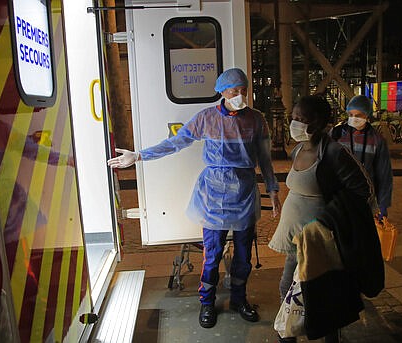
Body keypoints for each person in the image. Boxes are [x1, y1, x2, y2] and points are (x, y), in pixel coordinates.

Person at [107, 68, 281, 329]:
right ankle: (207, 303)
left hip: (244, 194)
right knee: (212, 254)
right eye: (235, 91)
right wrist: (139, 156)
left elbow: (265, 159)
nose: (240, 95)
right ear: (222, 91)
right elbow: (176, 143)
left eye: (244, 90)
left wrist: (274, 190)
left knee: (243, 255)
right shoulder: (206, 118)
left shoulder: (256, 120)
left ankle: (239, 299)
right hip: (213, 195)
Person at [268, 95, 380, 343]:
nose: (294, 123)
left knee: (322, 294)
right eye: (293, 117)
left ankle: (329, 338)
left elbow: (363, 190)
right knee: (288, 288)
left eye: (301, 119)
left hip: (320, 242)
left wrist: (329, 218)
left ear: (318, 122)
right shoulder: (298, 149)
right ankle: (288, 336)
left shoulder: (333, 152)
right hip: (297, 240)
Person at [330, 95, 393, 220]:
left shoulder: (377, 140)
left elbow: (384, 174)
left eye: (358, 115)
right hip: (339, 195)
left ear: (367, 115)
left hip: (365, 198)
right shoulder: (337, 134)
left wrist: (383, 204)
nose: (353, 118)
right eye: (350, 115)